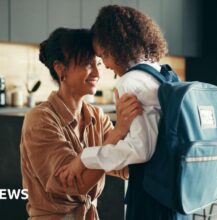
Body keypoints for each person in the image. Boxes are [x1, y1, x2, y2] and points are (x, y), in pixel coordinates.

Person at [60, 5, 192, 220]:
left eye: (103, 56)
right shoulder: (162, 73)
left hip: (153, 195)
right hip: (177, 190)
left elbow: (140, 151)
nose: (107, 66)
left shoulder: (130, 82)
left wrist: (84, 157)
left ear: (115, 48)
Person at [19, 27, 142, 220]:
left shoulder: (96, 115)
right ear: (61, 68)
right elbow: (74, 185)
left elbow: (120, 165)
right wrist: (119, 131)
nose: (96, 73)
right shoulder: (40, 119)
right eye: (87, 63)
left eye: (98, 63)